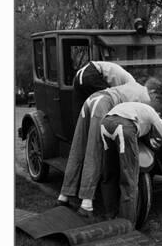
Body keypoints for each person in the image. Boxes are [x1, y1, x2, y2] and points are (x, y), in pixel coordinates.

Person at [57, 81, 152, 217]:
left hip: (91, 99)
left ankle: (64, 195)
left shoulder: (132, 85)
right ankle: (86, 204)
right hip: (103, 103)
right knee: (95, 150)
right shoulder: (146, 97)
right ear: (153, 91)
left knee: (78, 147)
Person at [100, 101, 162, 224]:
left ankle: (110, 214)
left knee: (110, 172)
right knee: (129, 178)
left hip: (105, 123)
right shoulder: (153, 114)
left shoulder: (136, 106)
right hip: (123, 127)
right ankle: (127, 222)